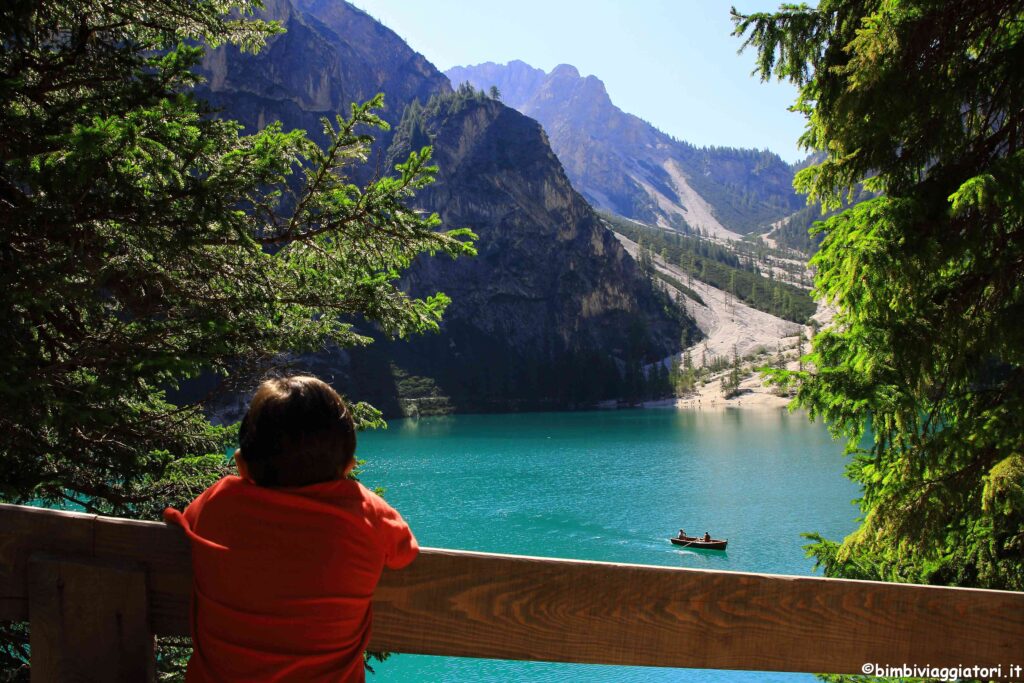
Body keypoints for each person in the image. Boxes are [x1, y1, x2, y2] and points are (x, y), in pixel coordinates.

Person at [164, 376, 418, 682]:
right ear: (349, 467)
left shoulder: (219, 503)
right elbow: (404, 553)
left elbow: (184, 519)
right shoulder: (366, 513)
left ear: (241, 465)